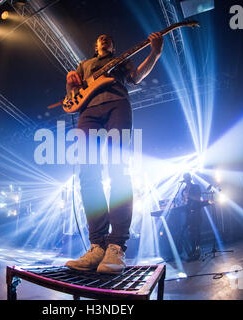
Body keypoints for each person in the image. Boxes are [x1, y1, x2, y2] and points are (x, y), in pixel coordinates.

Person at [64, 33, 164, 274]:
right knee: (87, 175)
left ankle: (116, 246)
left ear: (112, 44)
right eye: (100, 38)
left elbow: (137, 76)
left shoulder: (120, 59)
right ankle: (97, 246)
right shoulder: (84, 65)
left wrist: (155, 52)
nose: (104, 39)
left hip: (117, 105)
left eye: (108, 38)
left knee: (118, 169)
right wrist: (69, 84)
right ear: (95, 45)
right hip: (87, 111)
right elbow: (71, 97)